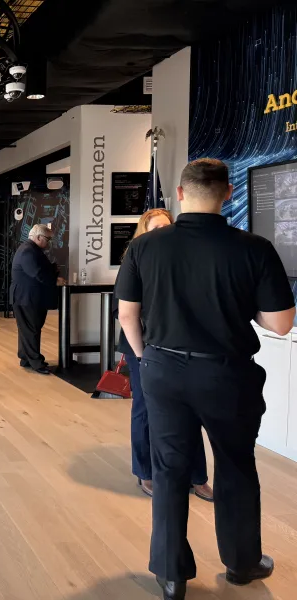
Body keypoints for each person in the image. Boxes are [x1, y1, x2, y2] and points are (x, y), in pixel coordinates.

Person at [116, 158, 296, 600]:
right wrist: (243, 308)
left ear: (179, 195)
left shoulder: (144, 248)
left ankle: (172, 574)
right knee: (235, 466)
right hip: (227, 375)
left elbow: (127, 314)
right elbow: (281, 323)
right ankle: (241, 563)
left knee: (170, 469)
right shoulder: (254, 247)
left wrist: (148, 360)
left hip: (163, 370)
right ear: (229, 194)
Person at [115, 209, 214, 502]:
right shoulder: (135, 259)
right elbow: (124, 313)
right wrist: (142, 355)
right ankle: (145, 473)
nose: (164, 233)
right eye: (157, 227)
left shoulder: (186, 261)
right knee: (145, 410)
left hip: (183, 346)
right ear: (144, 232)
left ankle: (197, 476)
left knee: (190, 410)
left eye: (168, 227)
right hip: (144, 348)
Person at [10, 223, 62, 375]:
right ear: (39, 237)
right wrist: (55, 280)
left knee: (27, 329)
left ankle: (26, 358)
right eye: (48, 239)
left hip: (26, 296)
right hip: (26, 297)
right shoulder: (28, 251)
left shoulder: (30, 249)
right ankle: (36, 363)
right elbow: (37, 272)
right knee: (31, 329)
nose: (49, 243)